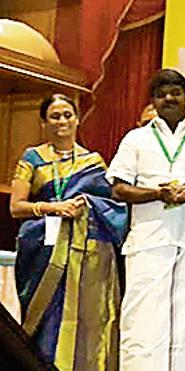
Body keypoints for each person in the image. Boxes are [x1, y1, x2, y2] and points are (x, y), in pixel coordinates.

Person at [107, 69, 185, 370]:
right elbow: (118, 188)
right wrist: (158, 194)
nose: (168, 98)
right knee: (142, 321)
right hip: (147, 242)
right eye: (161, 94)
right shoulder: (136, 138)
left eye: (175, 92)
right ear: (153, 101)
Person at [10, 94, 127, 370]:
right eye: (54, 116)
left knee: (86, 317)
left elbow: (114, 207)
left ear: (77, 120)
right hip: (42, 250)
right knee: (45, 315)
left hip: (85, 257)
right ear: (43, 123)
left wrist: (87, 204)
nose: (62, 121)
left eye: (67, 115)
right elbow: (16, 207)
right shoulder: (32, 158)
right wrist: (54, 207)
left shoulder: (94, 162)